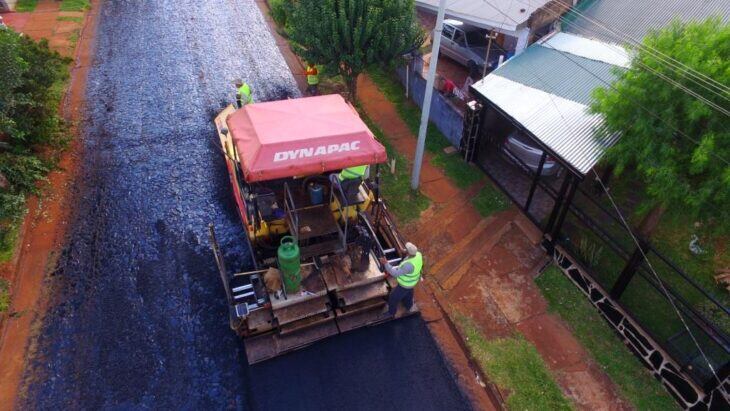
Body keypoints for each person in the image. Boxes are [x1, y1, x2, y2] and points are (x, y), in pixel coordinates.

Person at [379, 242, 422, 318]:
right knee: (408, 293)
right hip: (412, 282)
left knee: (393, 297)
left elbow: (395, 273)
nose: (405, 249)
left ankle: (391, 313)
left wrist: (386, 263)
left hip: (405, 285)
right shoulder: (418, 255)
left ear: (409, 253)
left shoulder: (408, 266)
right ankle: (409, 306)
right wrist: (404, 251)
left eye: (407, 249)